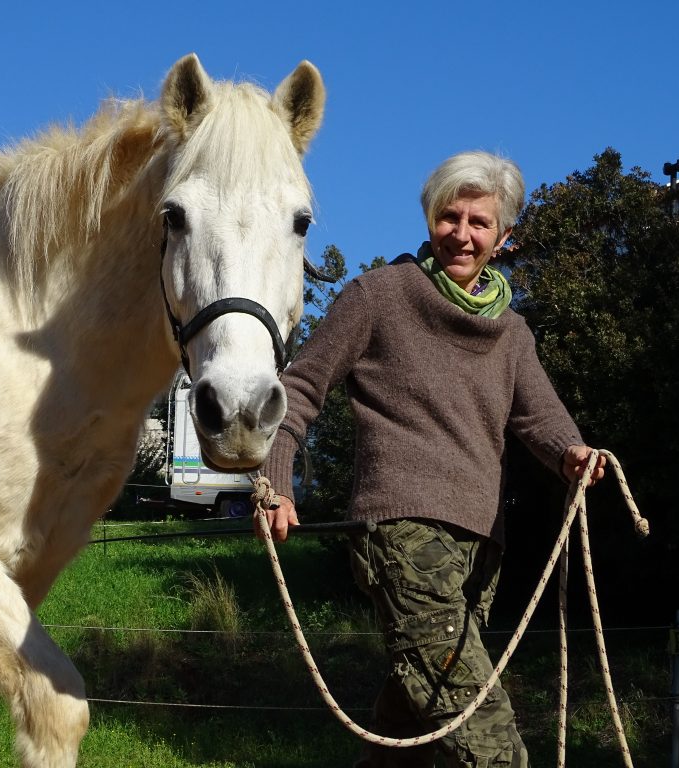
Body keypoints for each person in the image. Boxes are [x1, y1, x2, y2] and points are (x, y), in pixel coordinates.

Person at [258, 150, 606, 767]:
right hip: (402, 534)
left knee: (410, 734)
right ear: (429, 219)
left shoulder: (511, 332)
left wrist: (571, 455)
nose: (462, 234)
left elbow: (541, 417)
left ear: (504, 237)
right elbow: (301, 389)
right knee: (490, 743)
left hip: (481, 548)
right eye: (450, 217)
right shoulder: (380, 296)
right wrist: (276, 483)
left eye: (480, 222)